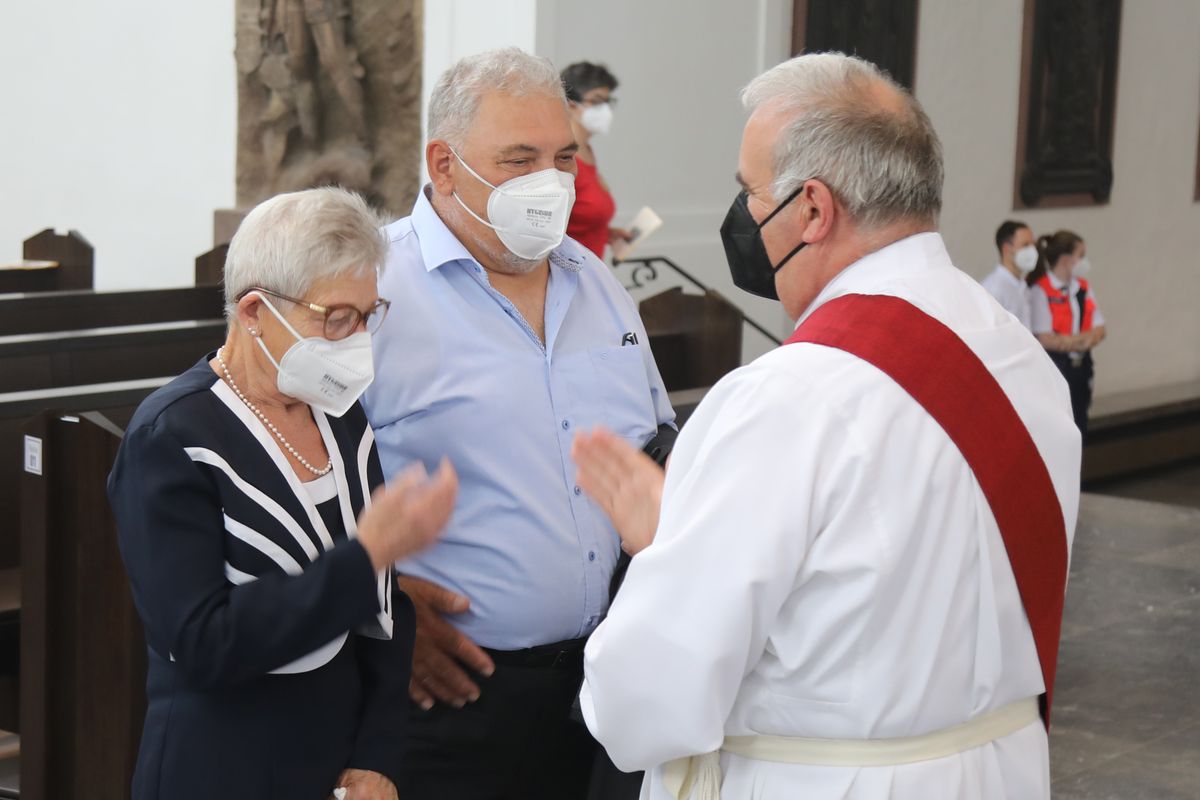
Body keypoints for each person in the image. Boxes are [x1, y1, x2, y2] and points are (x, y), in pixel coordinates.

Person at [572, 53, 1081, 800]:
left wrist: (665, 546)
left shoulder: (785, 398)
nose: (744, 217)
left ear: (812, 209)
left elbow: (643, 702)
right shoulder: (1018, 356)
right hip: (999, 768)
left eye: (750, 192)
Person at [360, 48, 675, 800]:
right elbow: (294, 475)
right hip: (456, 699)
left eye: (564, 158)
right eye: (519, 159)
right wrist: (380, 604)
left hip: (608, 688)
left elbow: (657, 443)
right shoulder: (372, 290)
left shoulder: (596, 283)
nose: (551, 182)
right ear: (444, 165)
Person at [107, 187, 459, 800]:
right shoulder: (172, 437)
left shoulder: (339, 415)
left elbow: (385, 601)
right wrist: (364, 557)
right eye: (337, 318)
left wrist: (377, 756)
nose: (357, 339)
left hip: (340, 768)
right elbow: (202, 643)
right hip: (222, 769)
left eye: (368, 315)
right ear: (253, 311)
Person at [1028, 230, 1107, 437]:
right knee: (1059, 426)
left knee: (1080, 422)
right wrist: (1081, 339)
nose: (1084, 261)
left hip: (1082, 367)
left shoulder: (1082, 287)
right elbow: (1045, 339)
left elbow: (1099, 328)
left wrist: (1072, 341)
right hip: (1058, 367)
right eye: (1081, 255)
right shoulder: (1041, 290)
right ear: (1065, 259)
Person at [562, 61, 631, 259]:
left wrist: (604, 233)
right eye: (597, 101)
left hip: (589, 269)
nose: (605, 110)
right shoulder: (563, 158)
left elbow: (579, 219)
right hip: (568, 271)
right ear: (570, 103)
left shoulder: (587, 152)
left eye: (608, 102)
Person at [981, 219, 1038, 329]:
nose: (1033, 250)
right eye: (1025, 245)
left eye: (1033, 244)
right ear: (1007, 248)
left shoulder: (1022, 285)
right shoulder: (993, 288)